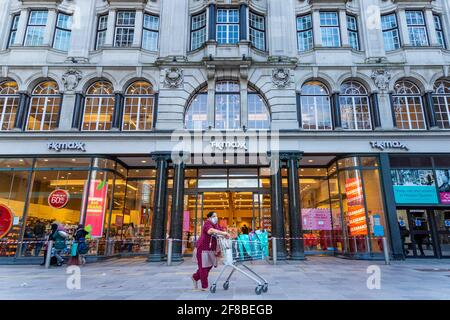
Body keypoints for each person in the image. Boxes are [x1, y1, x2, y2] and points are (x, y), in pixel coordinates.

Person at [191, 211, 229, 291]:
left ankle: (195, 277)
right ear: (209, 218)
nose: (216, 217)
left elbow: (222, 231)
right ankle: (204, 286)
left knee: (209, 266)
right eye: (214, 216)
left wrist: (226, 234)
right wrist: (223, 232)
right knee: (203, 267)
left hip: (211, 249)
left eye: (216, 216)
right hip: (202, 249)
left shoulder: (216, 225)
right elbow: (210, 231)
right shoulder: (207, 223)